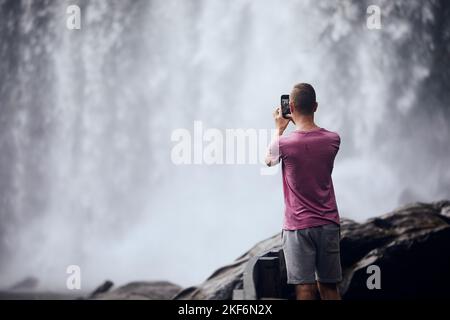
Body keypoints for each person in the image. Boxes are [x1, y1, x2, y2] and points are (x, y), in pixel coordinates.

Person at [265, 83, 342, 300]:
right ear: (315, 106)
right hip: (328, 224)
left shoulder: (285, 144)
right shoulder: (333, 140)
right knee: (329, 287)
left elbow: (269, 160)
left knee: (304, 289)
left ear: (290, 107)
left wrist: (279, 128)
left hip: (297, 226)